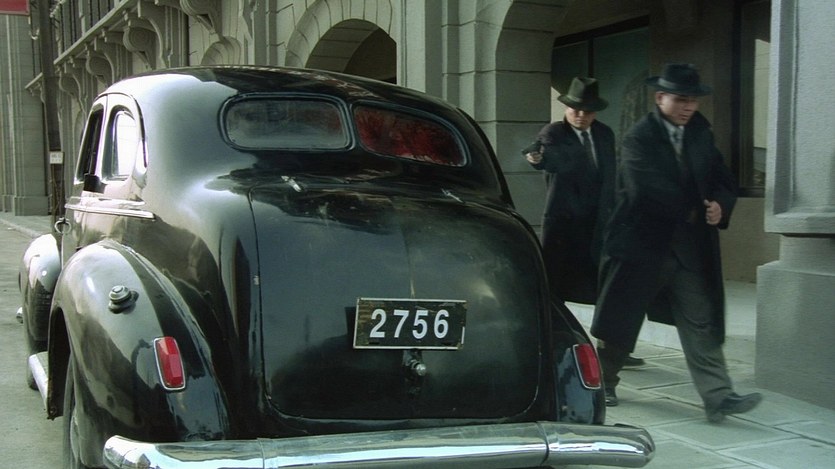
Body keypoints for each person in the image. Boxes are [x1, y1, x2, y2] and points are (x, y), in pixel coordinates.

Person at [591, 63, 762, 421]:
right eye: (681, 100)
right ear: (660, 98)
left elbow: (722, 178)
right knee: (622, 321)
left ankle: (718, 396)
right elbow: (645, 189)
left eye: (693, 101)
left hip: (688, 250)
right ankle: (602, 381)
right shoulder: (639, 137)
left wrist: (720, 205)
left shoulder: (701, 133)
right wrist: (698, 208)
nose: (688, 107)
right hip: (641, 246)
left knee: (701, 320)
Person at [523, 77, 646, 368]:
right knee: (555, 290)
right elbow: (548, 158)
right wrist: (537, 159)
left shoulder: (604, 134)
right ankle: (553, 348)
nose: (580, 115)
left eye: (587, 111)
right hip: (564, 228)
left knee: (611, 289)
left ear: (596, 112)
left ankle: (612, 351)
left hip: (599, 227)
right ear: (566, 108)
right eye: (575, 109)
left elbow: (612, 175)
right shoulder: (554, 132)